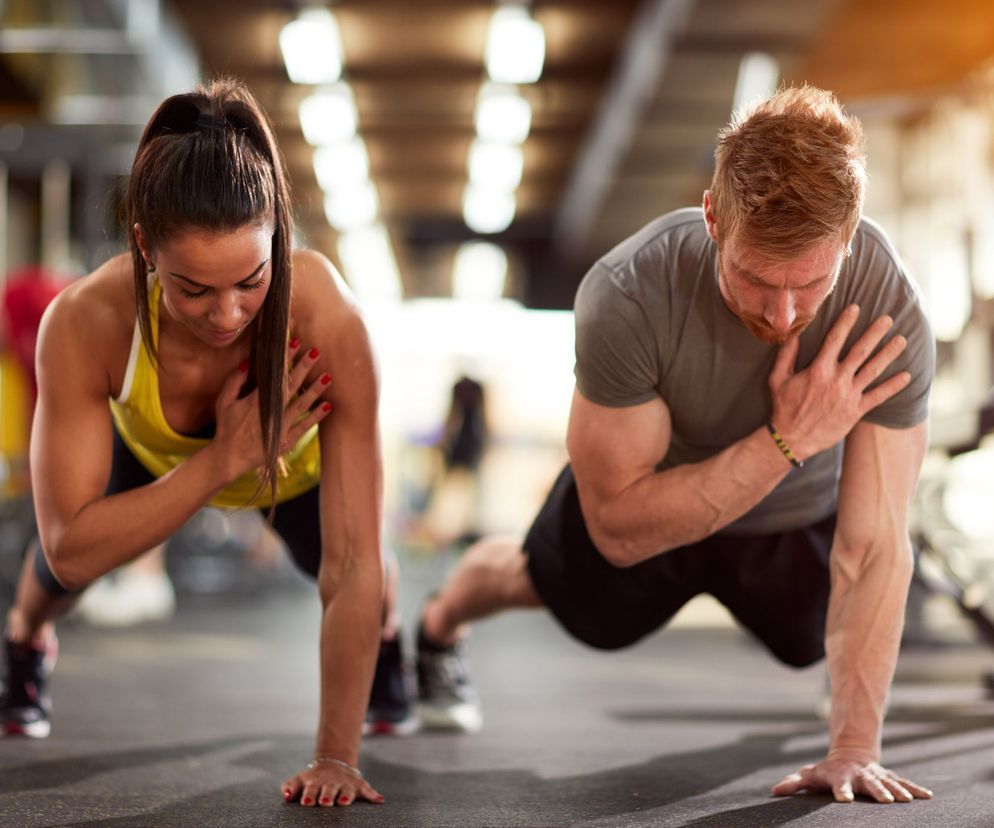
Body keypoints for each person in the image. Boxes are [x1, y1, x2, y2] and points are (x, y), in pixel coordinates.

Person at [415, 85, 937, 805]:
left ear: (849, 239)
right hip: (657, 503)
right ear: (713, 219)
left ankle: (842, 678)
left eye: (811, 283)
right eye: (755, 281)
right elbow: (621, 533)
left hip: (790, 519)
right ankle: (438, 627)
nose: (782, 314)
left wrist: (853, 748)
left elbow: (874, 547)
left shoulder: (889, 306)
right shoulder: (628, 293)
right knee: (535, 583)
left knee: (822, 628)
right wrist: (787, 440)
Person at [0, 79, 408, 808]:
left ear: (278, 234)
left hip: (296, 464)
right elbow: (69, 543)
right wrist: (222, 458)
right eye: (192, 291)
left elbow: (350, 563)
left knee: (365, 573)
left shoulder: (327, 314)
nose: (227, 314)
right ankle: (25, 638)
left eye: (251, 281)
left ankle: (395, 636)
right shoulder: (86, 321)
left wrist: (335, 757)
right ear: (143, 248)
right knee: (55, 580)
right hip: (157, 455)